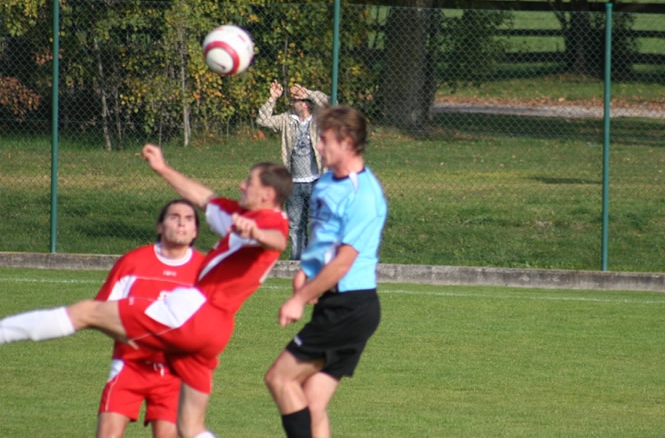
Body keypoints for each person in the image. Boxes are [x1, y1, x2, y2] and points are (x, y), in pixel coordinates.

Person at [0, 144, 292, 438]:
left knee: (87, 312)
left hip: (194, 314)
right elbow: (205, 198)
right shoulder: (243, 215)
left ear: (267, 194)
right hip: (215, 331)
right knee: (191, 428)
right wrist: (163, 169)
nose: (242, 185)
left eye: (250, 182)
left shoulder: (267, 222)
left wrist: (255, 233)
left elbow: (277, 241)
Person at [264, 106, 388, 438]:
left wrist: (299, 299)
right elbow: (323, 243)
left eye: (325, 139)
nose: (318, 146)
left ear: (347, 141)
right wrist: (305, 271)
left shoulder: (365, 195)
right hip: (339, 304)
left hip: (350, 306)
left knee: (279, 378)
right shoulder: (325, 183)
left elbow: (342, 262)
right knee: (312, 404)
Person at [95, 199, 206, 438]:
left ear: (195, 231)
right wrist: (125, 333)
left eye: (188, 219)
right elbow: (100, 311)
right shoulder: (132, 262)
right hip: (129, 366)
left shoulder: (204, 270)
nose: (181, 223)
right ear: (159, 226)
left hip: (175, 374)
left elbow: (210, 324)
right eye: (174, 217)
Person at [256, 80, 329, 259]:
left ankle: (319, 262)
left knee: (320, 224)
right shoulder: (288, 119)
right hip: (294, 183)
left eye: (295, 100)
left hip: (317, 181)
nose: (291, 103)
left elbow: (329, 101)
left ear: (305, 103)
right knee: (296, 226)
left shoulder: (319, 118)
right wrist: (272, 99)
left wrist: (308, 92)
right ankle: (297, 263)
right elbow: (262, 120)